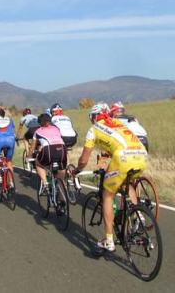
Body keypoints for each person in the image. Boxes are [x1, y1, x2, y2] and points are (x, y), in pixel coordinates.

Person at [75, 102, 148, 252]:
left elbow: (83, 160)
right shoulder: (117, 122)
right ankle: (139, 216)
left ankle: (109, 240)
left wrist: (77, 170)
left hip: (122, 158)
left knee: (107, 195)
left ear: (94, 117)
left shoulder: (94, 129)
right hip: (141, 155)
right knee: (126, 184)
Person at [28, 113, 67, 194]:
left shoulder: (38, 131)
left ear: (40, 123)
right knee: (61, 175)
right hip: (62, 148)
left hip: (48, 150)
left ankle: (45, 182)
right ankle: (63, 200)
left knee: (38, 164)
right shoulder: (56, 128)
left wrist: (29, 157)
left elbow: (32, 147)